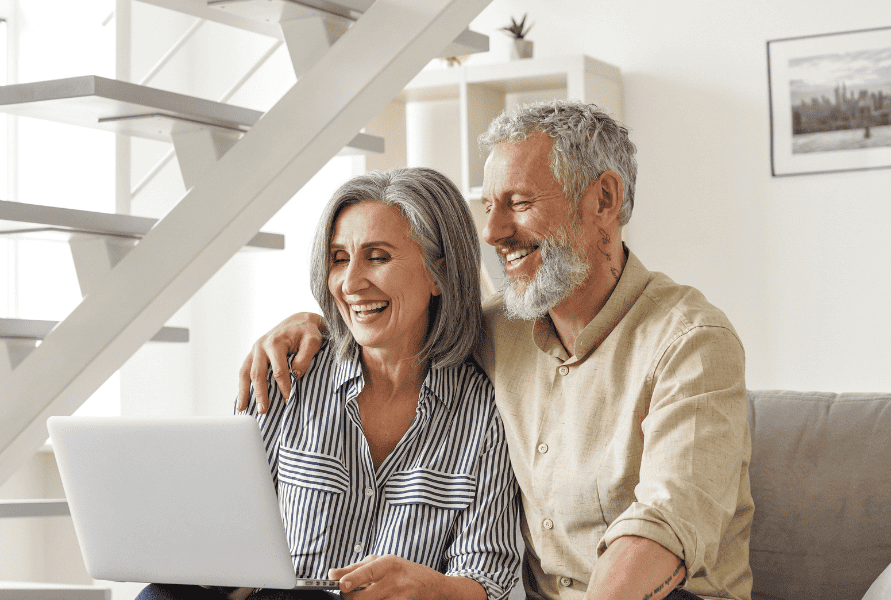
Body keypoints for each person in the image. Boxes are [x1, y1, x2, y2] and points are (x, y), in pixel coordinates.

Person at [238, 101, 754, 600]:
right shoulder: (496, 331)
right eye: (489, 206)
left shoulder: (693, 343)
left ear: (603, 200)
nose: (492, 232)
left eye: (520, 203)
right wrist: (314, 325)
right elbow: (403, 319)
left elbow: (662, 526)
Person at [139, 168, 521, 600]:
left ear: (438, 273)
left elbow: (488, 575)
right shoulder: (287, 375)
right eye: (339, 258)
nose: (351, 283)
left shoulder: (483, 411)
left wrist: (434, 587)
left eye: (377, 257)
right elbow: (224, 539)